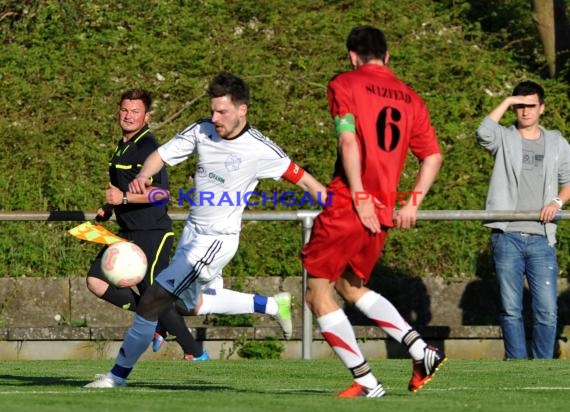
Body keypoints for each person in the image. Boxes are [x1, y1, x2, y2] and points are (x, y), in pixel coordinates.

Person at [84, 72, 326, 388]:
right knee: (188, 306)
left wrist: (343, 208)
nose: (215, 118)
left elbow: (307, 181)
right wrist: (143, 175)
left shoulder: (261, 149)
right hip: (192, 234)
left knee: (152, 298)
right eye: (212, 110)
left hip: (216, 240)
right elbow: (160, 155)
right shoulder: (202, 130)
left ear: (243, 110)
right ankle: (270, 304)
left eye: (222, 112)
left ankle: (117, 377)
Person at [301, 25, 445, 398]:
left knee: (317, 292)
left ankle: (366, 381)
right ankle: (419, 350)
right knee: (350, 286)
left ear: (352, 56)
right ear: (387, 56)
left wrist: (359, 194)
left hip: (351, 202)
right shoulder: (411, 98)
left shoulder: (344, 84)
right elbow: (432, 155)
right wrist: (412, 201)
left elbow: (348, 138)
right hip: (381, 210)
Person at [86, 89, 207, 361]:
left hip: (152, 233)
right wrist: (111, 207)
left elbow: (162, 193)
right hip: (127, 233)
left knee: (155, 294)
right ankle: (157, 322)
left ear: (146, 115)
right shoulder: (123, 145)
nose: (128, 116)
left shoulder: (148, 146)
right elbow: (124, 187)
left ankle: (195, 351)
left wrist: (124, 197)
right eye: (124, 110)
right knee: (95, 281)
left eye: (135, 111)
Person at [476, 80, 570, 359]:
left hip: (542, 237)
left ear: (542, 108)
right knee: (511, 308)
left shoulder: (556, 141)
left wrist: (557, 201)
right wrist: (506, 101)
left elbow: (569, 180)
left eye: (531, 105)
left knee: (547, 310)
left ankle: (542, 365)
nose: (526, 111)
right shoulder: (504, 138)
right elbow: (483, 133)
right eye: (520, 106)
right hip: (507, 236)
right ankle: (516, 364)